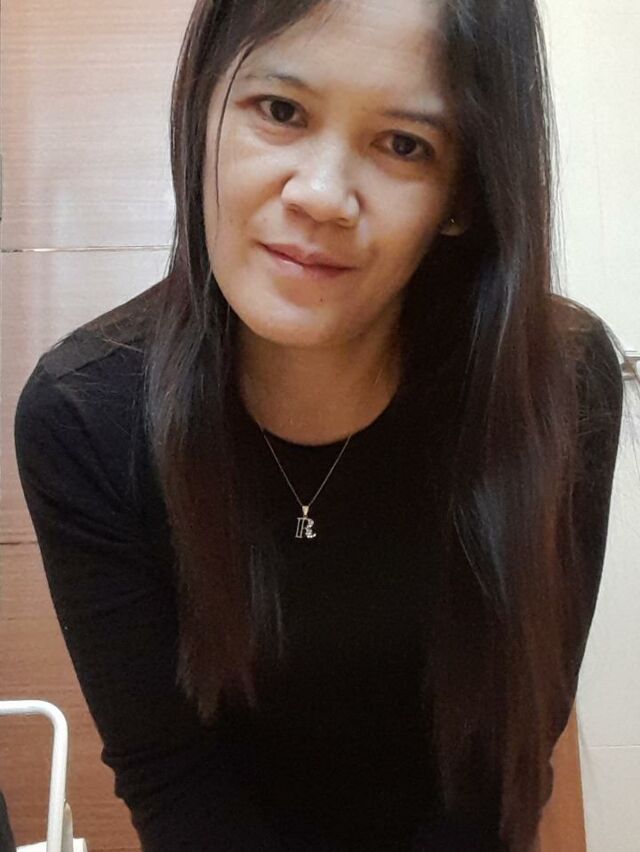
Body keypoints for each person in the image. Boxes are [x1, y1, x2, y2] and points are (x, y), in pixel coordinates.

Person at [13, 0, 629, 850]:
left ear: (464, 194)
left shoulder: (559, 382)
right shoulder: (84, 416)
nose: (321, 196)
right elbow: (172, 776)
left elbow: (508, 751)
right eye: (281, 110)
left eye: (404, 144)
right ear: (203, 108)